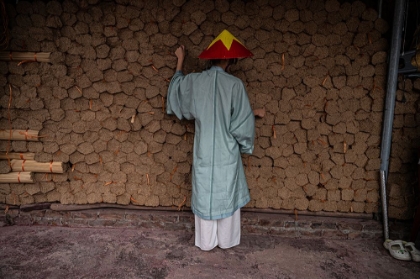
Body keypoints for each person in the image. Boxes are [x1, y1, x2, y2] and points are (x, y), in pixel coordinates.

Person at [166, 30, 263, 251]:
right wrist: (247, 145)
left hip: (203, 151)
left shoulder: (196, 81)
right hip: (226, 152)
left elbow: (176, 93)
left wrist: (180, 61)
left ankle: (206, 243)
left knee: (205, 194)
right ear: (229, 59)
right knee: (226, 194)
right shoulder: (235, 85)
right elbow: (242, 123)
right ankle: (227, 241)